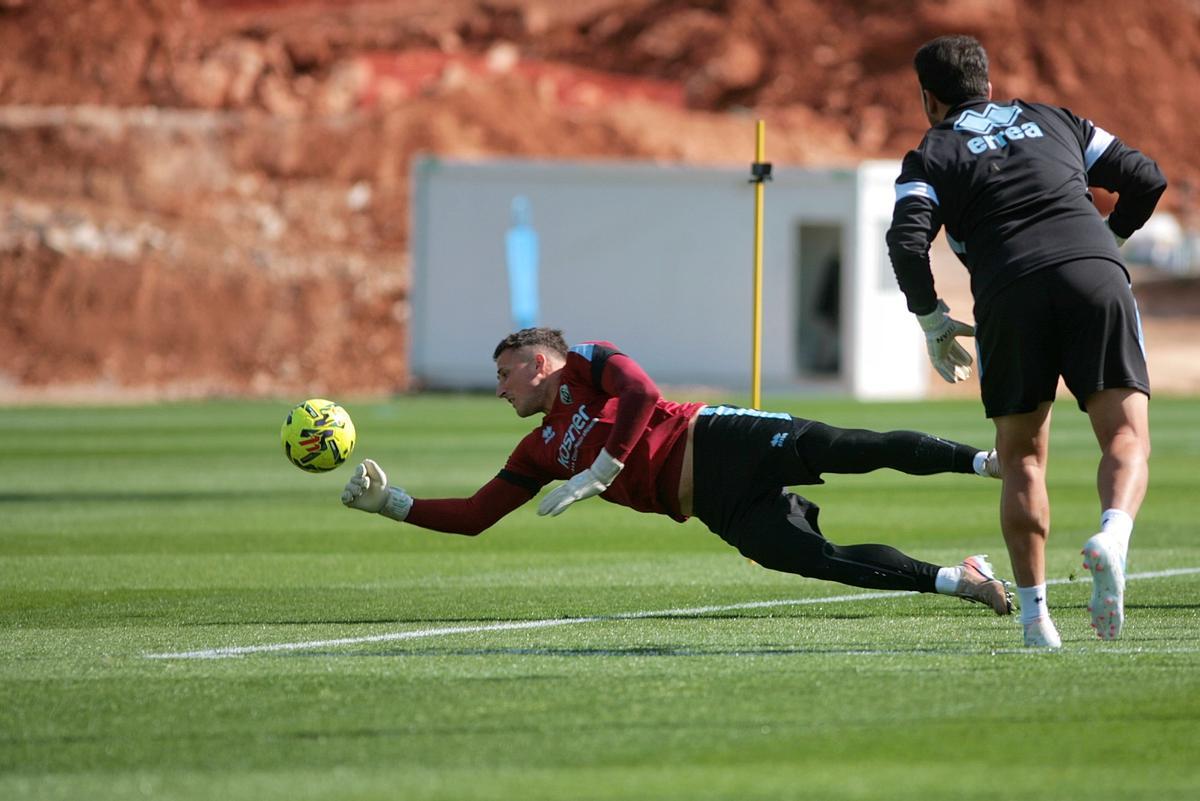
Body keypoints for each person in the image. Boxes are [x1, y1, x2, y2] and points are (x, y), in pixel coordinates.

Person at [342, 327, 1013, 618]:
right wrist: (392, 503)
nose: (498, 389)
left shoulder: (583, 358)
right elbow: (474, 515)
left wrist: (603, 470)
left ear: (535, 362)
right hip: (711, 503)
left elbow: (639, 391)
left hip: (717, 437)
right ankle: (962, 579)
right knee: (816, 560)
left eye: (503, 373)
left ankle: (984, 461)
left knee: (850, 445)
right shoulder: (535, 451)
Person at [886, 35, 1167, 647]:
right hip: (1094, 275)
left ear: (929, 100)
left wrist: (933, 320)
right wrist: (1104, 241)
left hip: (1008, 294)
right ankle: (1113, 535)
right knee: (1123, 435)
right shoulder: (1054, 119)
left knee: (1022, 459)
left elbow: (906, 243)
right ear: (988, 82)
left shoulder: (932, 152)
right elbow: (1147, 178)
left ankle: (1037, 620)